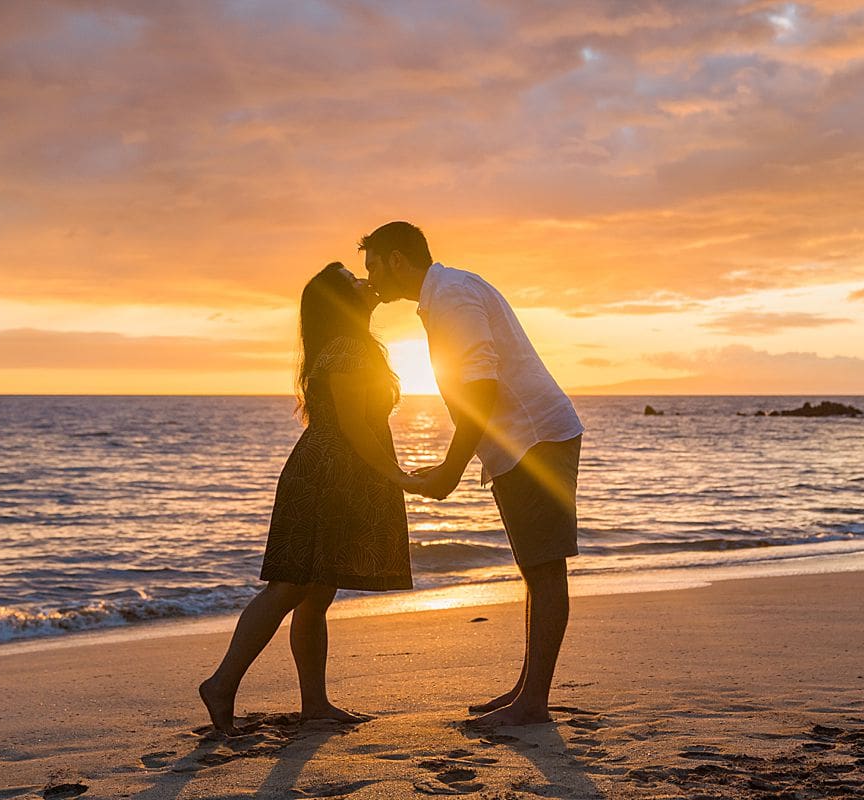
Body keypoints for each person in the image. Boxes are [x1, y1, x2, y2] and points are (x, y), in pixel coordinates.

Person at [361, 221, 584, 727]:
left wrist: (451, 470)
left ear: (398, 259)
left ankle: (534, 702)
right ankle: (528, 691)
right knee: (535, 567)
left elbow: (480, 389)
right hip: (520, 441)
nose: (370, 276)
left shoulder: (454, 295)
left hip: (535, 437)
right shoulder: (443, 294)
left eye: (373, 264)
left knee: (545, 568)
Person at [198, 261, 420, 736]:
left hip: (340, 474)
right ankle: (221, 683)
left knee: (317, 593)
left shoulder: (352, 345)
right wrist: (396, 475)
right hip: (326, 476)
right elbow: (354, 426)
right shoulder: (345, 349)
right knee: (292, 585)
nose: (365, 282)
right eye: (352, 281)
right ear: (340, 302)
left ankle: (315, 705)